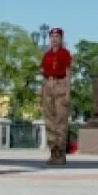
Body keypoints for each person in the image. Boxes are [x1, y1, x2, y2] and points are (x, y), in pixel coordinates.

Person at [39, 27, 71, 166]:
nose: (54, 39)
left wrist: (68, 92)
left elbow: (68, 73)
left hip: (60, 84)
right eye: (52, 36)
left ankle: (61, 152)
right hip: (48, 85)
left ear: (61, 39)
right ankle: (53, 151)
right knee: (50, 121)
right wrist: (41, 93)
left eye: (57, 36)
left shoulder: (65, 53)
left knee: (60, 121)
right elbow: (42, 71)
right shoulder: (46, 55)